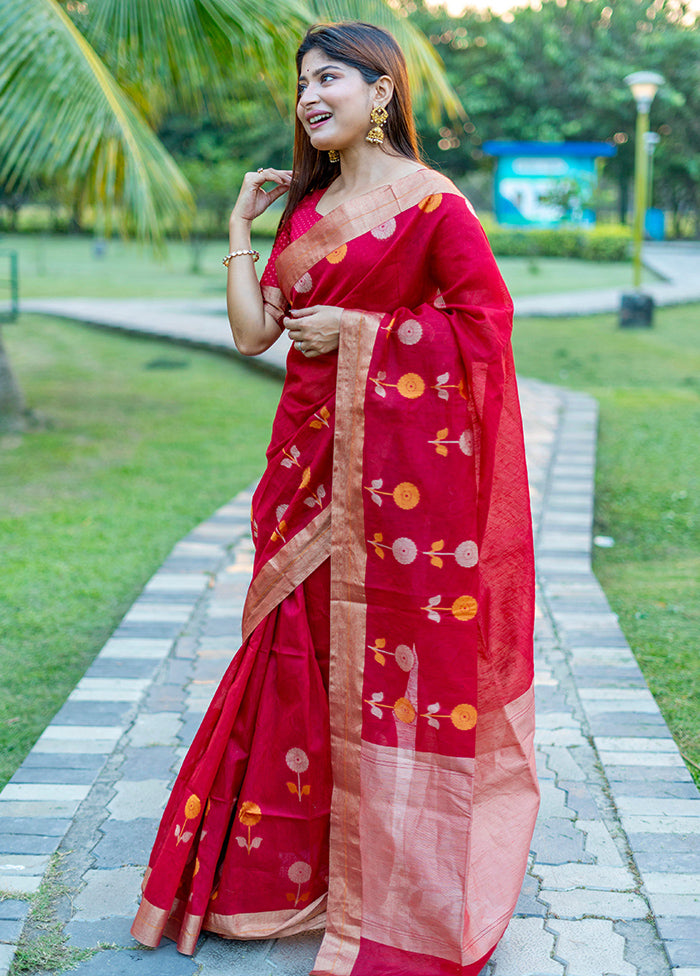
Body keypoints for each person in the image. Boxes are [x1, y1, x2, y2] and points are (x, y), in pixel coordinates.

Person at [131, 21, 539, 976]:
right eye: (302, 84)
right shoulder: (304, 213)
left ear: (381, 91)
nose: (310, 97)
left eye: (330, 80)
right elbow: (252, 337)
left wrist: (361, 330)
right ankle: (277, 880)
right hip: (304, 472)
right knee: (288, 655)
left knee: (377, 667)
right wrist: (239, 228)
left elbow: (484, 329)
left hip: (389, 484)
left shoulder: (432, 206)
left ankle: (384, 881)